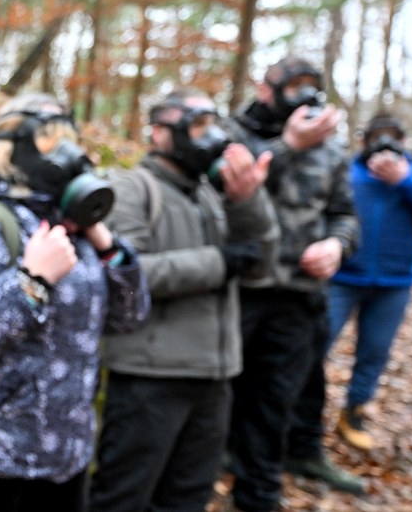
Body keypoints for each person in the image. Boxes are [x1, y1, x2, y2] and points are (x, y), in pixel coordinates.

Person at [0, 93, 149, 512]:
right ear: (13, 146)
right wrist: (32, 282)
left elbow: (130, 316)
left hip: (66, 458)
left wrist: (105, 243)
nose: (67, 156)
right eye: (52, 142)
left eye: (70, 140)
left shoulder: (75, 226)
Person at [90, 89, 278, 512]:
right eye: (197, 125)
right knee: (123, 497)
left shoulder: (211, 194)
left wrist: (249, 200)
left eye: (213, 124)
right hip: (149, 376)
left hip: (215, 375)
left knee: (189, 497)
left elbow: (262, 263)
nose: (209, 135)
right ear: (160, 133)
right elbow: (133, 273)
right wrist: (218, 262)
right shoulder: (130, 187)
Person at [284, 112, 412, 483]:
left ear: (404, 140)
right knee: (314, 344)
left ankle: (355, 411)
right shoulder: (347, 171)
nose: (384, 144)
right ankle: (294, 416)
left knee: (374, 352)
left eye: (392, 137)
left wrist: (404, 181)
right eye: (376, 136)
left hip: (394, 282)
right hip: (343, 277)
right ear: (363, 140)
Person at [223, 56, 360, 512]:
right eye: (292, 86)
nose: (302, 95)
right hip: (237, 291)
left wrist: (337, 247)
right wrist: (288, 145)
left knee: (274, 404)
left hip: (298, 295)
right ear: (266, 90)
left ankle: (257, 498)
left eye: (310, 86)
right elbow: (229, 193)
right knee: (219, 396)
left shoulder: (332, 150)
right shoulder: (233, 135)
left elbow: (345, 216)